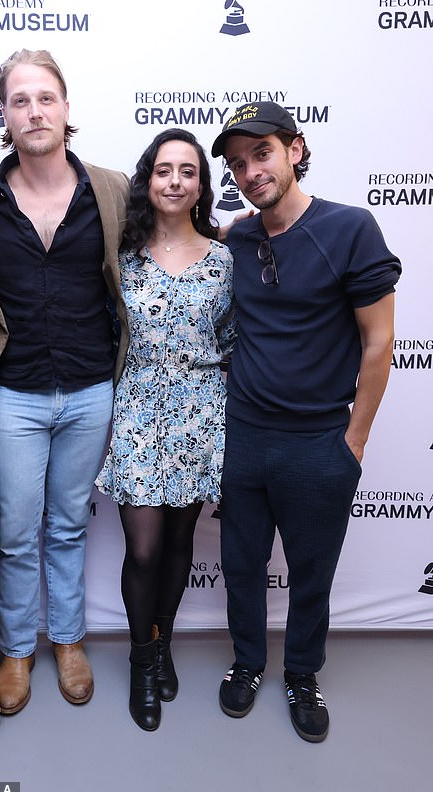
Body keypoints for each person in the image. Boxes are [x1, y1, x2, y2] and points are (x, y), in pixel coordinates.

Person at [210, 102, 401, 742]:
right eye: (237, 164)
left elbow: (380, 343)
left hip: (320, 442)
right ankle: (247, 662)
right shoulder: (237, 237)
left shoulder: (350, 228)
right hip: (244, 436)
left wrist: (354, 441)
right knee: (240, 564)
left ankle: (302, 673)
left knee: (311, 571)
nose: (249, 171)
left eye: (261, 154)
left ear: (295, 150)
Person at [0, 49, 130, 714]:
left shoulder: (111, 188)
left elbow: (177, 223)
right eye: (19, 100)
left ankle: (68, 641)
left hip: (92, 389)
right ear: (4, 114)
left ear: (66, 107)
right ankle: (18, 651)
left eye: (45, 97)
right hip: (14, 395)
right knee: (16, 530)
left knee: (67, 526)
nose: (34, 110)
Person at [96, 129, 236, 731]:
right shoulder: (119, 258)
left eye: (187, 171)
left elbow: (229, 340)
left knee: (180, 546)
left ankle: (162, 644)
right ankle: (140, 662)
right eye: (163, 170)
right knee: (145, 549)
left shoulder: (225, 259)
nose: (174, 181)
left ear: (201, 185)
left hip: (201, 412)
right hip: (137, 409)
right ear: (147, 182)